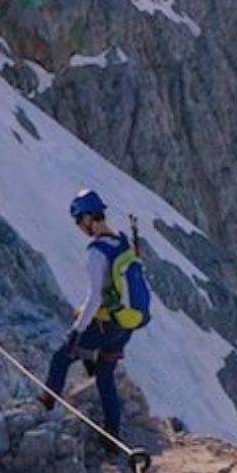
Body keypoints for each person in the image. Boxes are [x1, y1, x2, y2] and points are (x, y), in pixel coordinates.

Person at [41, 188, 146, 441]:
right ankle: (112, 436)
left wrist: (77, 330)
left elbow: (95, 297)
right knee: (105, 376)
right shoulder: (121, 240)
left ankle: (43, 408)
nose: (79, 226)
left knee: (60, 358)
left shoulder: (96, 252)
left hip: (105, 325)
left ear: (89, 217)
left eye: (79, 220)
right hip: (125, 326)